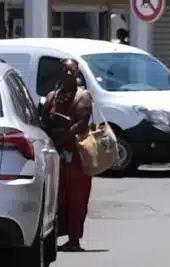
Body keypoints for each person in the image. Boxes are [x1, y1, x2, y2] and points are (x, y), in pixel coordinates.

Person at [45, 60, 95, 253]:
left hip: (76, 155)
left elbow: (81, 123)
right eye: (64, 69)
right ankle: (53, 235)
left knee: (76, 198)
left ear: (77, 73)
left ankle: (74, 239)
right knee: (57, 197)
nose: (67, 72)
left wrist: (62, 138)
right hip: (55, 155)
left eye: (71, 70)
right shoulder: (53, 96)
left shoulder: (83, 97)